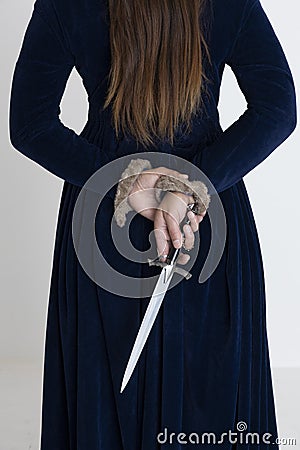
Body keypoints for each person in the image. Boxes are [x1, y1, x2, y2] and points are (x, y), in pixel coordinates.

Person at [9, 0, 296, 448]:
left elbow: (30, 124)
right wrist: (190, 186)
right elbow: (277, 107)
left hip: (107, 215)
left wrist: (127, 179)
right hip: (205, 214)